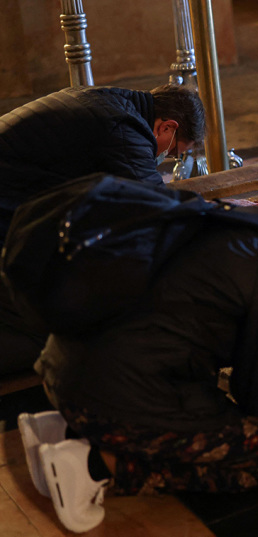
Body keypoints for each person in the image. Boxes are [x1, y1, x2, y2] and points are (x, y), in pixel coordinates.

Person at [16, 185, 258, 533]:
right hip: (105, 396)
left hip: (62, 369)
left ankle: (62, 430)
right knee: (257, 460)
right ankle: (92, 465)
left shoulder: (240, 221)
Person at [0, 84, 205, 375]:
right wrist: (220, 209)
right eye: (174, 153)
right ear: (167, 128)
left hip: (11, 204)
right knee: (54, 333)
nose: (167, 159)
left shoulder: (113, 102)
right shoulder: (124, 128)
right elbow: (156, 208)